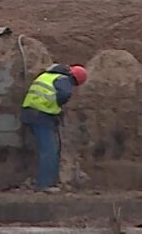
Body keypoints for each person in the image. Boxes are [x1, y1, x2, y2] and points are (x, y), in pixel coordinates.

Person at [21, 63, 88, 192]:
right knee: (49, 151)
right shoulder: (64, 80)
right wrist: (58, 107)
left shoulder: (48, 75)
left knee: (48, 149)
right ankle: (45, 184)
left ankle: (49, 181)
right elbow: (64, 94)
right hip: (41, 115)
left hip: (30, 112)